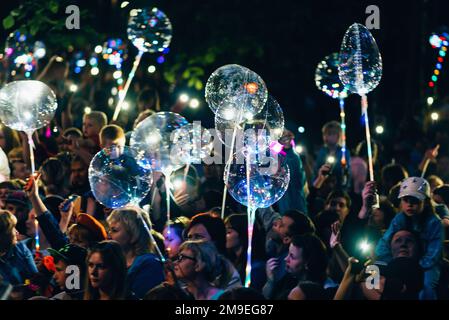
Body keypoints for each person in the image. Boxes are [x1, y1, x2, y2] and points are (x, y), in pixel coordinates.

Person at [375, 177, 443, 300]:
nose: (410, 204)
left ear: (426, 202)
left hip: (426, 264)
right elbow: (384, 243)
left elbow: (434, 253)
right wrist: (390, 262)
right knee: (376, 282)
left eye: (415, 200)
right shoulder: (399, 219)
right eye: (406, 200)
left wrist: (416, 266)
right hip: (401, 262)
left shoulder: (434, 223)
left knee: (427, 286)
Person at [107, 207, 164, 299]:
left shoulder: (149, 264)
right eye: (109, 230)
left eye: (114, 230)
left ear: (134, 233)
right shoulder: (112, 261)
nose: (108, 235)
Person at [184, 212, 242, 289]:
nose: (191, 243)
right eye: (189, 238)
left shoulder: (227, 274)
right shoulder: (190, 268)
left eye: (198, 237)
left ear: (215, 241)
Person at [263, 234, 328, 300]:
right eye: (288, 253)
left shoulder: (317, 292)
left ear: (307, 263)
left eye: (292, 256)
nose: (286, 259)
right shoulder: (290, 278)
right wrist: (270, 281)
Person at [224, 214, 266, 291]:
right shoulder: (230, 261)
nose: (224, 236)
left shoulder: (255, 267)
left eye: (228, 232)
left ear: (242, 233)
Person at [0, 210, 37, 285]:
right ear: (4, 234)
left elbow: (35, 279)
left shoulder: (20, 248)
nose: (17, 232)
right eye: (13, 228)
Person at [313, 121, 351, 190]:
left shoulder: (344, 152)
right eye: (326, 134)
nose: (327, 136)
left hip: (339, 187)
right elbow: (316, 170)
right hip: (322, 187)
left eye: (332, 134)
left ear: (338, 135)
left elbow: (346, 172)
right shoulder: (321, 151)